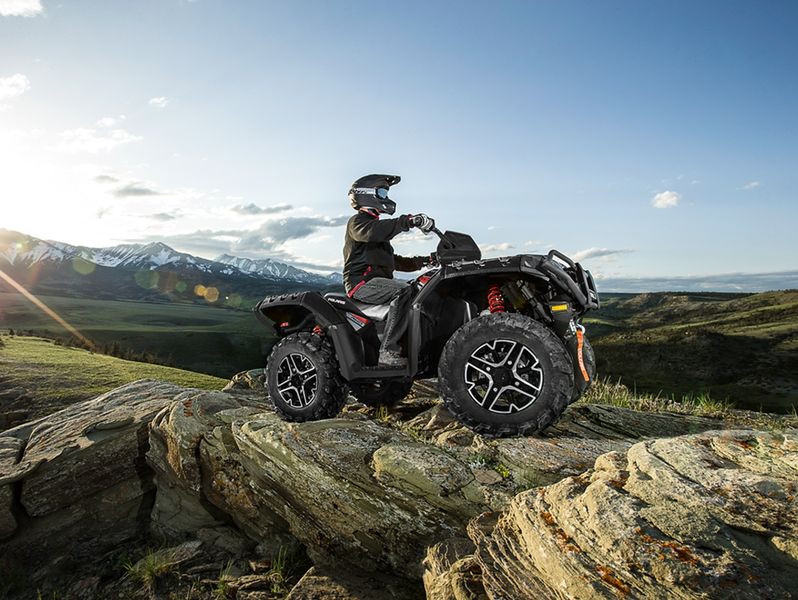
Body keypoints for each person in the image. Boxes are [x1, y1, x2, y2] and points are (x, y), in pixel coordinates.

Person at [343, 174, 435, 367]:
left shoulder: (377, 233)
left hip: (378, 283)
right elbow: (372, 232)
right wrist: (409, 221)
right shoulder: (358, 223)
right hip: (362, 283)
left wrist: (427, 260)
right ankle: (388, 352)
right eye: (382, 192)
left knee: (419, 289)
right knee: (403, 290)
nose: (386, 197)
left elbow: (395, 261)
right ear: (366, 194)